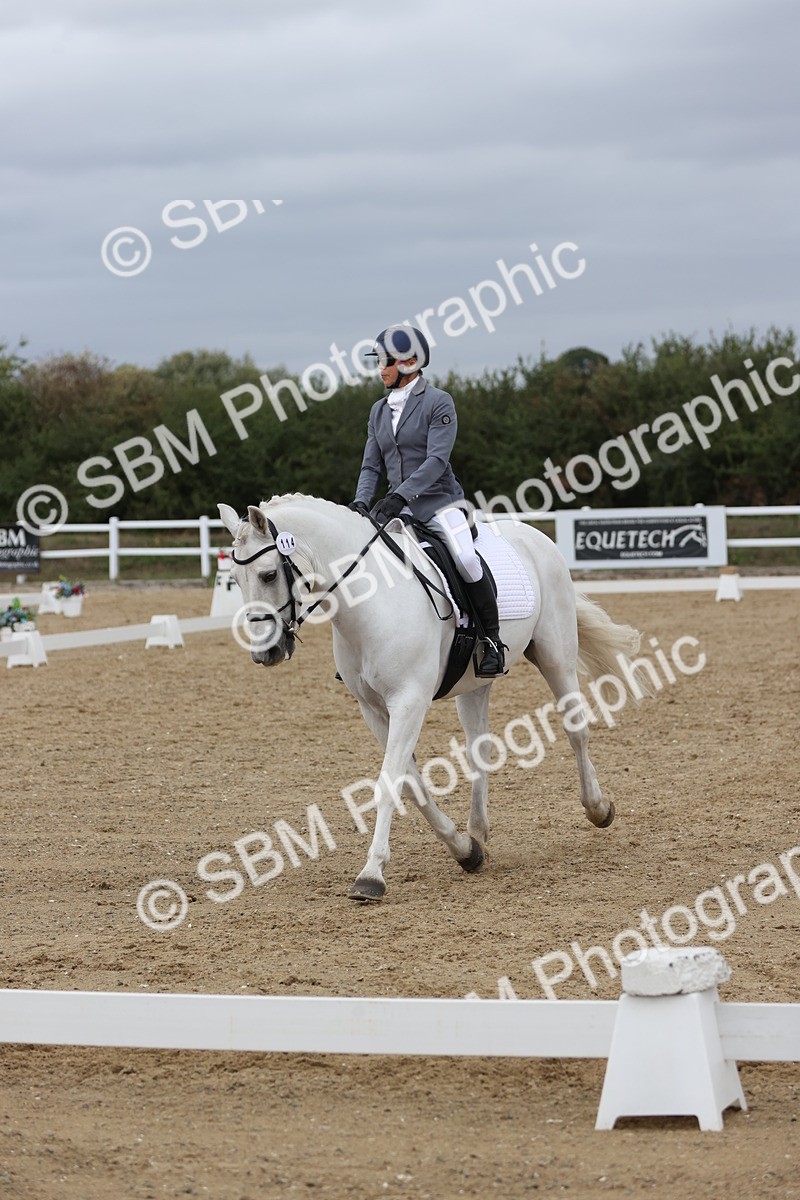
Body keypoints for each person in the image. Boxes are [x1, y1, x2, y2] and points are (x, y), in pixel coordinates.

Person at [348, 324, 505, 676]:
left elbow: (436, 461)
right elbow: (370, 465)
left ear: (410, 362)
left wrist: (399, 496)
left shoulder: (438, 402)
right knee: (365, 562)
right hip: (396, 505)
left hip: (440, 503)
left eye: (385, 361)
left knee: (465, 558)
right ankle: (363, 652)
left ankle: (491, 641)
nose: (380, 369)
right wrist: (361, 502)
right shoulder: (377, 411)